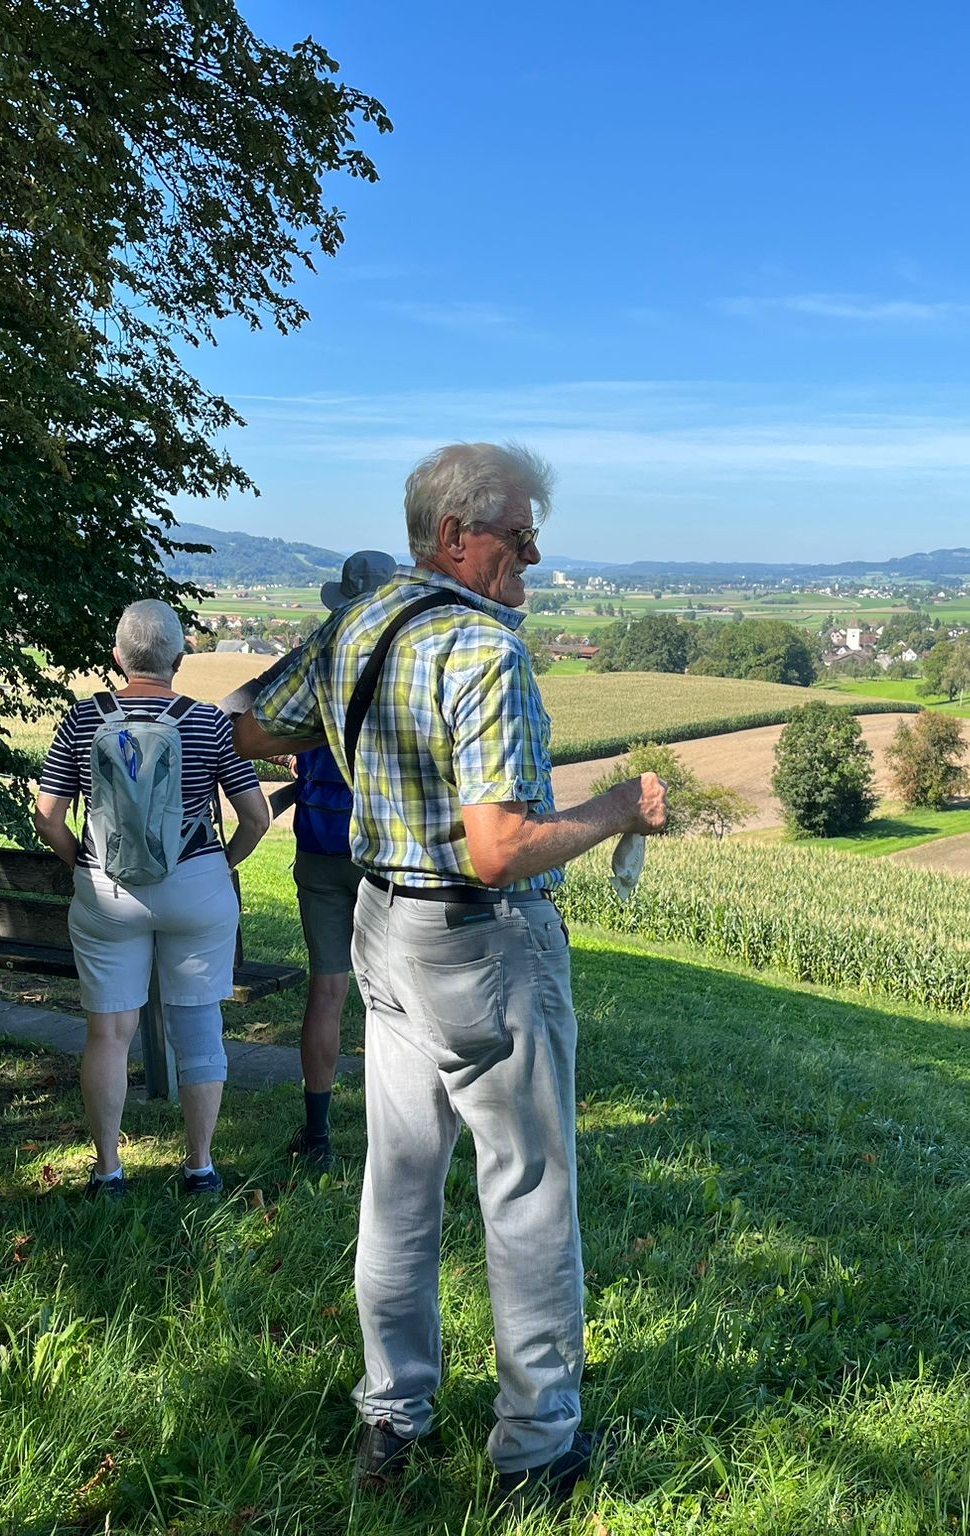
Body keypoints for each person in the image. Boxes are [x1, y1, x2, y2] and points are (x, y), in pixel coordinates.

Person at [236, 442, 667, 1505]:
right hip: (483, 939)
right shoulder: (482, 651)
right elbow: (499, 847)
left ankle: (390, 1418)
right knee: (524, 1190)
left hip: (381, 925)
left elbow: (247, 723)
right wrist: (617, 808)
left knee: (397, 1181)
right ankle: (536, 1447)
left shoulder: (361, 621)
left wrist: (363, 748)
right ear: (453, 536)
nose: (532, 552)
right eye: (517, 533)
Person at [34, 599, 272, 1199]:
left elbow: (49, 817)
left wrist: (83, 862)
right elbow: (255, 817)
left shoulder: (81, 720)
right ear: (180, 655)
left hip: (107, 890)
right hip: (195, 884)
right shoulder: (208, 722)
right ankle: (199, 1167)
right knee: (199, 1028)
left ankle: (109, 1171)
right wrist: (220, 863)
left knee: (108, 1033)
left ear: (117, 657)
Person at [287, 551, 399, 1167]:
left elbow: (238, 708)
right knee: (398, 996)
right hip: (385, 851)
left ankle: (319, 1134)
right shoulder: (405, 662)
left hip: (320, 845)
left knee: (327, 991)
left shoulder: (319, 659)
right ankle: (401, 1135)